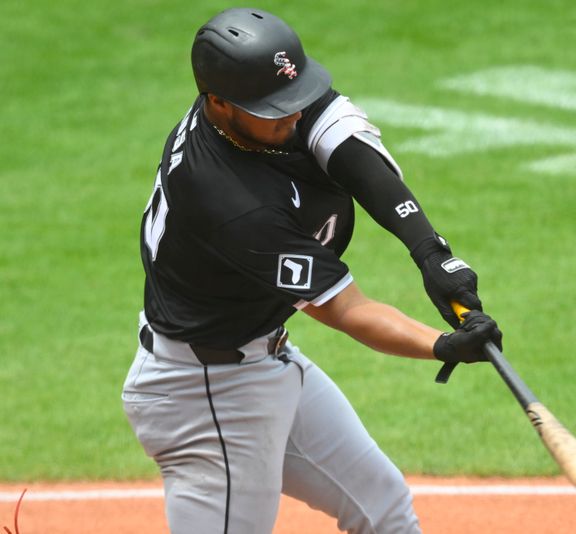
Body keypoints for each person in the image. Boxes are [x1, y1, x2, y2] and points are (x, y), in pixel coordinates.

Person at [122, 7, 502, 534]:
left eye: (296, 97)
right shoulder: (228, 201)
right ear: (217, 102)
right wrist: (442, 344)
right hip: (204, 397)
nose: (294, 116)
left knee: (383, 506)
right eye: (275, 109)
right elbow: (346, 309)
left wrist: (430, 253)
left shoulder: (260, 97)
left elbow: (353, 153)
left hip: (264, 361)